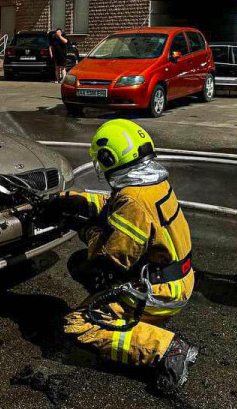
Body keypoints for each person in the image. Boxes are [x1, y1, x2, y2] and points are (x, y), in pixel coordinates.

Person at [48, 119, 198, 394]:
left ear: (109, 158)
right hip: (177, 280)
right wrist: (74, 200)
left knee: (77, 324)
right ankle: (138, 321)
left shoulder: (133, 202)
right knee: (82, 267)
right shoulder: (151, 183)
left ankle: (167, 349)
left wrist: (86, 229)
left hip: (161, 291)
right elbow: (112, 204)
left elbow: (109, 258)